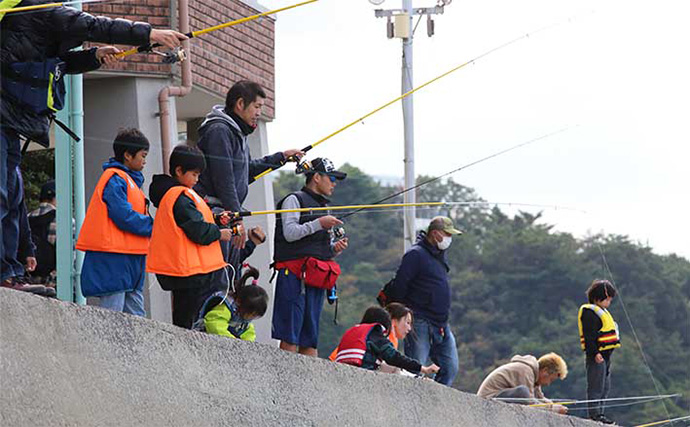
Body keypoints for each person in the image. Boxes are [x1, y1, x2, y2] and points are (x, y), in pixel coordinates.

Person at [0, 1, 187, 290]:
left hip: (9, 120)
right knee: (3, 195)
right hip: (5, 117)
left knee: (11, 197)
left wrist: (94, 57)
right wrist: (150, 34)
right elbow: (93, 25)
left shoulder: (29, 16)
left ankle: (7, 274)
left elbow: (59, 62)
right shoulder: (37, 8)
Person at [194, 80, 303, 263]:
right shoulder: (219, 130)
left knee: (228, 272)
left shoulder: (236, 132)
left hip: (225, 213)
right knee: (219, 273)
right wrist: (237, 218)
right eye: (257, 106)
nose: (259, 113)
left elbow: (246, 171)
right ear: (240, 104)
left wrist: (281, 157)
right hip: (213, 213)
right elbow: (224, 179)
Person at [147, 145, 233, 329]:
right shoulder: (180, 197)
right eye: (194, 174)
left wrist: (216, 219)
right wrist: (220, 233)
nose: (197, 179)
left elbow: (194, 221)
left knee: (186, 318)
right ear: (179, 171)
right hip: (188, 273)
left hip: (187, 272)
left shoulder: (178, 195)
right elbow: (197, 229)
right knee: (187, 323)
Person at [272, 157, 348, 357]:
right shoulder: (293, 200)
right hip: (293, 276)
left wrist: (334, 249)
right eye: (331, 178)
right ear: (316, 177)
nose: (334, 184)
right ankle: (285, 378)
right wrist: (319, 223)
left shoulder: (324, 206)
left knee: (310, 337)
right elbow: (289, 233)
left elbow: (319, 247)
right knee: (290, 335)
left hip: (315, 278)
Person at [76, 129, 153, 315]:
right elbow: (123, 215)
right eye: (142, 155)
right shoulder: (115, 179)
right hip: (115, 257)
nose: (144, 160)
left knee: (131, 314)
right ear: (128, 155)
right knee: (115, 314)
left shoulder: (125, 180)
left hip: (127, 257)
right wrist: (153, 225)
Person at [387, 216, 462, 386]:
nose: (449, 239)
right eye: (447, 234)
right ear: (435, 234)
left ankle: (435, 402)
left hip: (441, 322)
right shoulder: (416, 254)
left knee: (450, 367)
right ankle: (413, 403)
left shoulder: (439, 255)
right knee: (415, 367)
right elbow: (400, 285)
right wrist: (402, 314)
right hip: (419, 319)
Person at [335, 306, 440, 376]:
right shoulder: (375, 333)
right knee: (394, 368)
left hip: (340, 370)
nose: (409, 329)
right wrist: (422, 368)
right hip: (361, 372)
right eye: (407, 323)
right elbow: (394, 358)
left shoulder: (354, 330)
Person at [578, 279, 621, 424]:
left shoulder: (603, 312)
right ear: (597, 298)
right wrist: (595, 353)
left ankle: (601, 413)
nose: (609, 302)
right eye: (607, 299)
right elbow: (589, 335)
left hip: (606, 356)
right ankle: (594, 414)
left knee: (605, 386)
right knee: (595, 385)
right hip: (597, 355)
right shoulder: (589, 312)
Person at [192, 266, 268, 342]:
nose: (250, 317)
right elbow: (214, 325)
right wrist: (233, 341)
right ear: (239, 301)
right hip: (204, 337)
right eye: (250, 313)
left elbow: (248, 332)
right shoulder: (225, 308)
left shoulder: (245, 318)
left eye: (254, 316)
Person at [477, 353, 569, 414]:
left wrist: (552, 404)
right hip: (486, 401)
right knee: (523, 392)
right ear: (545, 371)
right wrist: (553, 409)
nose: (548, 384)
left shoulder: (534, 377)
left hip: (497, 398)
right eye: (551, 379)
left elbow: (540, 398)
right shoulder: (526, 371)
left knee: (525, 394)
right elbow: (531, 402)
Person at [329, 302, 413, 364]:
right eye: (407, 323)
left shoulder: (360, 330)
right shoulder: (385, 336)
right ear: (394, 321)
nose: (409, 328)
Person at [27, 180, 57, 285]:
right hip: (51, 282)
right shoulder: (63, 221)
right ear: (55, 197)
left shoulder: (26, 218)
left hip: (28, 278)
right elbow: (72, 255)